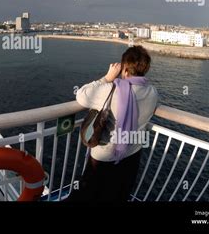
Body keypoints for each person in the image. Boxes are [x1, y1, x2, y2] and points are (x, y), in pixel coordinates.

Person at [67, 45, 158, 202]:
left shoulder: (111, 89)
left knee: (88, 195)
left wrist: (107, 77)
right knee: (117, 196)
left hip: (104, 157)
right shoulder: (152, 92)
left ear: (125, 70)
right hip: (131, 155)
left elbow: (81, 95)